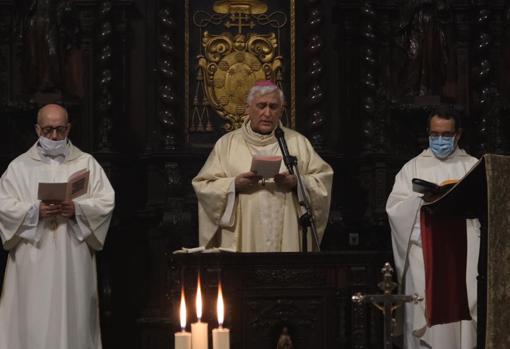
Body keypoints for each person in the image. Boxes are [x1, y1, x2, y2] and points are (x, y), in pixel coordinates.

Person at [0, 104, 115, 349]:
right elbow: (3, 206)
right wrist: (35, 211)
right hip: (31, 260)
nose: (54, 136)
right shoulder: (18, 168)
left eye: (60, 130)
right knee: (31, 323)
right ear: (37, 129)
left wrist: (78, 210)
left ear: (69, 128)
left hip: (72, 257)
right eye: (48, 130)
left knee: (73, 320)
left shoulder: (87, 164)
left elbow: (105, 202)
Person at [192, 81, 333, 252]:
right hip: (244, 236)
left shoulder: (298, 143)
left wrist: (297, 182)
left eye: (273, 107)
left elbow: (322, 181)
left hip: (288, 231)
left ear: (281, 111)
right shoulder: (226, 144)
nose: (267, 113)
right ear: (248, 109)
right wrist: (233, 185)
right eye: (261, 106)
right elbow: (203, 185)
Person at [386, 106, 479, 348]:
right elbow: (395, 210)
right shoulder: (412, 168)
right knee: (424, 305)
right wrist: (421, 201)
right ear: (427, 133)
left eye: (446, 135)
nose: (440, 140)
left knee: (468, 305)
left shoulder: (473, 167)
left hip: (465, 249)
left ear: (458, 135)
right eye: (434, 134)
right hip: (424, 251)